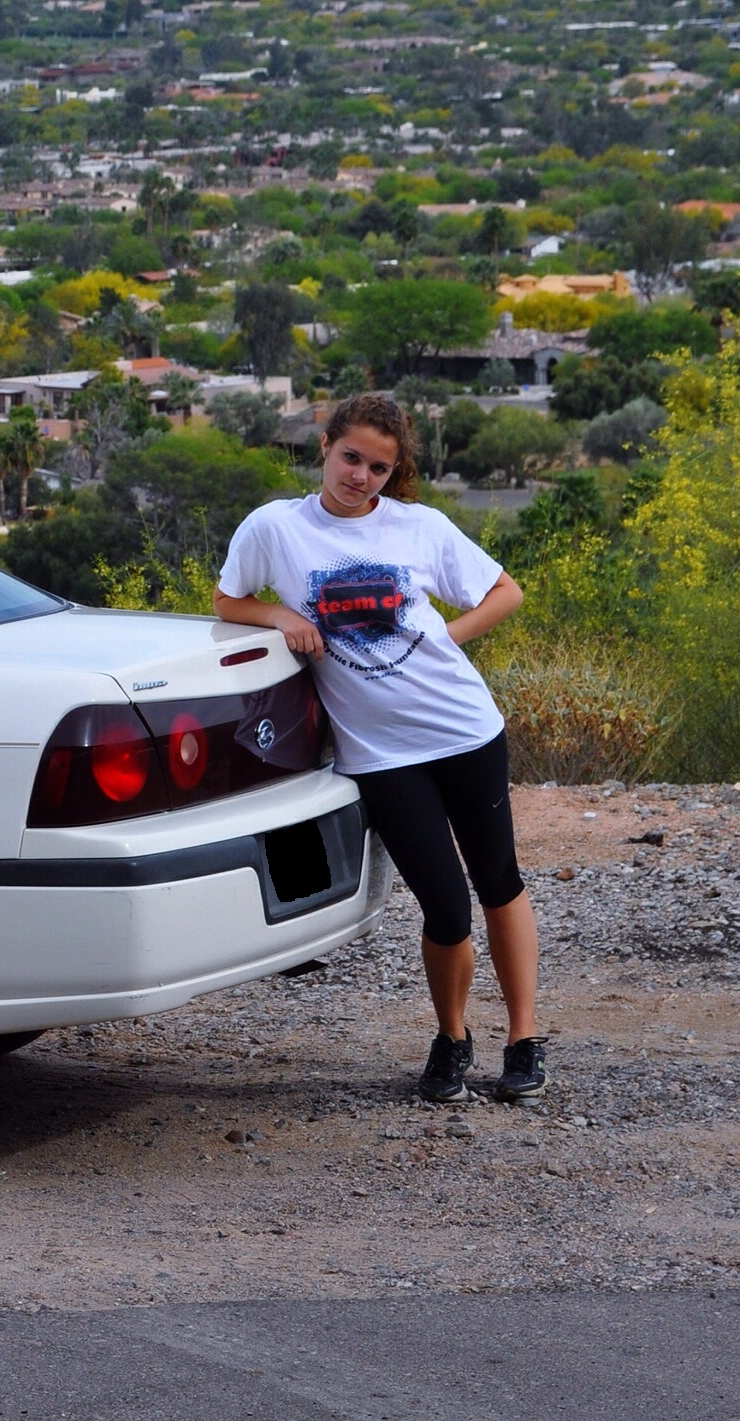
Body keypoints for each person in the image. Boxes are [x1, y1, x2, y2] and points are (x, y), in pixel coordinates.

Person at [213, 392, 544, 1105]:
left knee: (499, 881)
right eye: (350, 457)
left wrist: (443, 639)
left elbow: (505, 592)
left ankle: (523, 1040)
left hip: (464, 729)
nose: (359, 476)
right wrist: (280, 615)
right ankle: (452, 1039)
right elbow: (228, 601)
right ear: (325, 446)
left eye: (378, 468)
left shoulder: (420, 527)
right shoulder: (276, 527)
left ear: (394, 474)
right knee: (445, 906)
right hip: (380, 754)